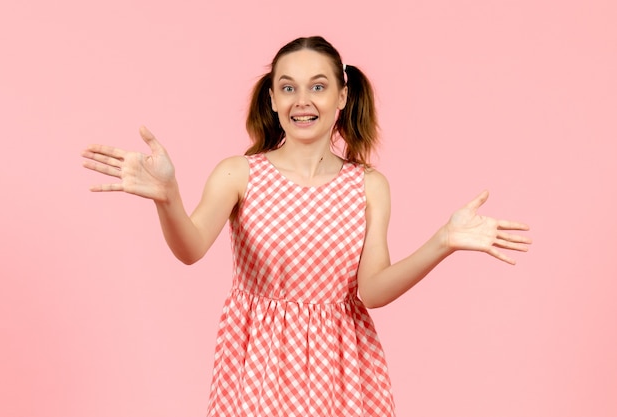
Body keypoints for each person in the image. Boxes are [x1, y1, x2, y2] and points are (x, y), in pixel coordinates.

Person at [82, 36, 531, 417]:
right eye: (288, 87)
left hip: (343, 362)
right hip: (256, 355)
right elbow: (191, 247)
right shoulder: (239, 173)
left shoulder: (369, 186)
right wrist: (169, 197)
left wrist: (443, 241)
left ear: (342, 96)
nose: (303, 100)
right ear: (272, 99)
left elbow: (371, 291)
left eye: (318, 86)